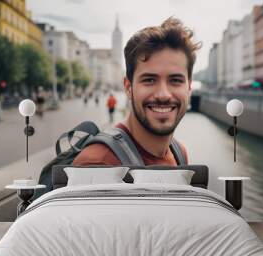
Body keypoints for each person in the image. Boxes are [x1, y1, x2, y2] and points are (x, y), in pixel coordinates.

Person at [73, 17, 200, 166]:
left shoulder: (179, 153)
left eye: (175, 80)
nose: (163, 94)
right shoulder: (99, 163)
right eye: (149, 80)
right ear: (128, 87)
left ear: (189, 87)